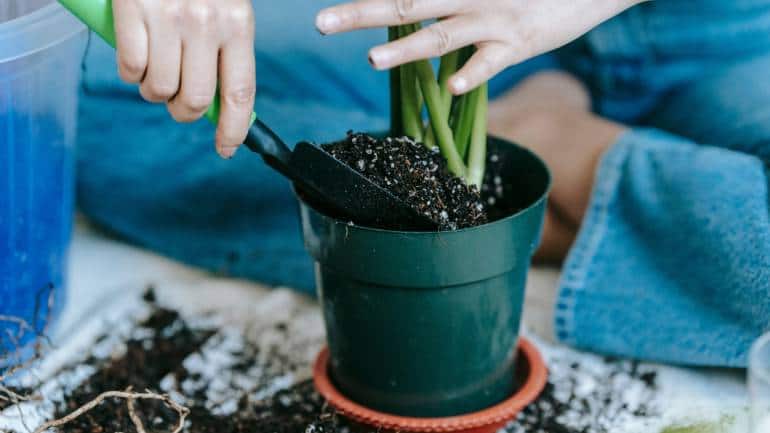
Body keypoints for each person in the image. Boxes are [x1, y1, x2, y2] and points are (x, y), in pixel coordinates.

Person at [80, 0, 769, 367]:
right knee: (91, 94)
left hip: (721, 38)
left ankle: (552, 147)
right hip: (443, 21)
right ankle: (511, 207)